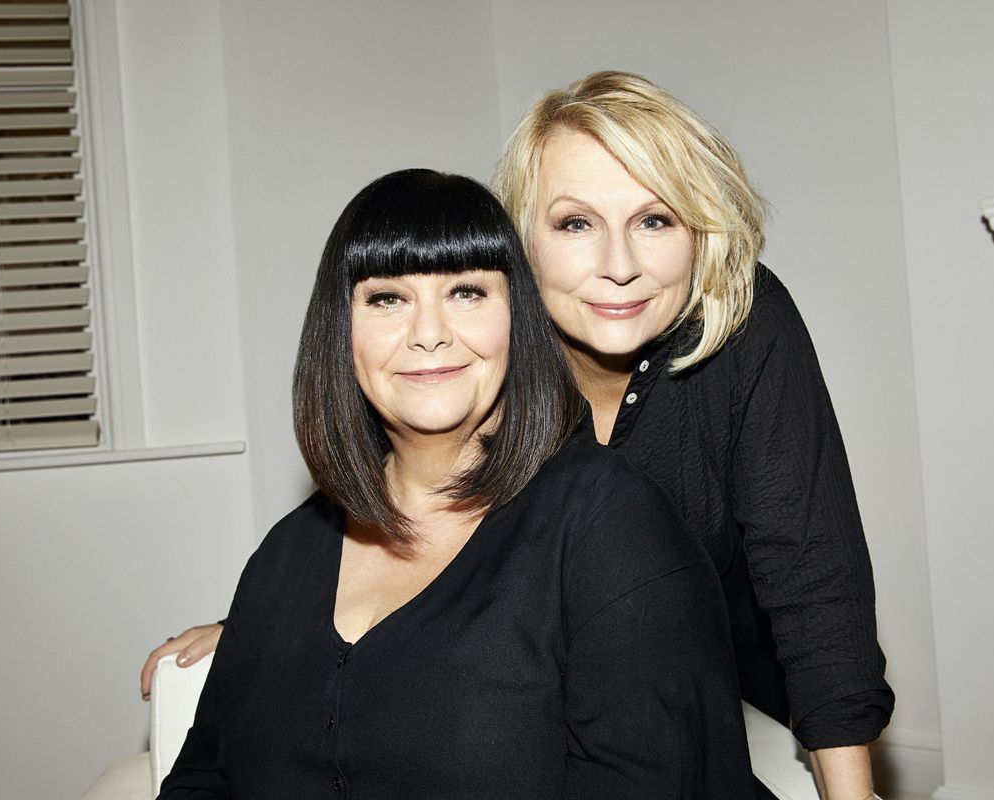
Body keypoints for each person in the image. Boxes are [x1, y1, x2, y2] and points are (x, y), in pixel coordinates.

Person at [148, 72, 894, 800]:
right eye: (576, 223)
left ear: (699, 234)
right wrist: (278, 627)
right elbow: (419, 527)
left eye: (655, 219)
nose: (620, 266)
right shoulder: (482, 357)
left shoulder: (743, 324)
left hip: (719, 674)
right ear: (519, 248)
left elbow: (812, 576)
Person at [156, 169, 755, 799]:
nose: (429, 332)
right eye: (388, 298)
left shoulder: (609, 527)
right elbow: (204, 777)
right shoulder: (284, 556)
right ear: (341, 331)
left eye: (467, 292)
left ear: (517, 322)